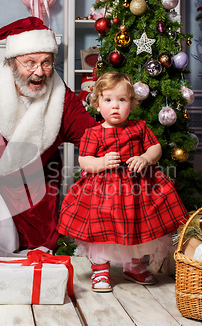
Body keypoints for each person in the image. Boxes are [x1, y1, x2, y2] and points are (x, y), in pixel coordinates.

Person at [0, 16, 98, 252]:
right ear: (11, 63)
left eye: (47, 63)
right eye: (30, 63)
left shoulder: (60, 94)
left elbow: (90, 134)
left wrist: (124, 146)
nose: (39, 72)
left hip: (37, 191)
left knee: (38, 254)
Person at [57, 72, 189, 292]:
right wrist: (101, 162)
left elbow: (155, 148)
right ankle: (100, 269)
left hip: (138, 190)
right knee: (102, 228)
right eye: (108, 100)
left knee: (140, 225)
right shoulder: (93, 133)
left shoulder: (139, 128)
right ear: (98, 105)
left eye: (122, 100)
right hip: (104, 192)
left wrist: (145, 158)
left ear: (132, 104)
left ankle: (135, 266)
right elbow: (84, 161)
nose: (115, 106)